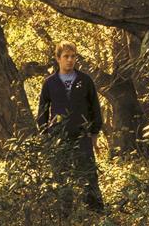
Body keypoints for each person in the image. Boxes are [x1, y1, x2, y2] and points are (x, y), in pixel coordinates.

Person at [36, 42, 104, 212]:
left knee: (89, 174)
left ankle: (97, 214)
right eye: (66, 56)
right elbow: (42, 112)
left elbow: (95, 108)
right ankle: (65, 215)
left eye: (73, 56)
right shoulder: (50, 83)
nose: (70, 60)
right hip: (59, 138)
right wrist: (47, 136)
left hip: (82, 135)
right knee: (61, 176)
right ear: (58, 58)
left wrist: (94, 133)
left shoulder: (85, 80)